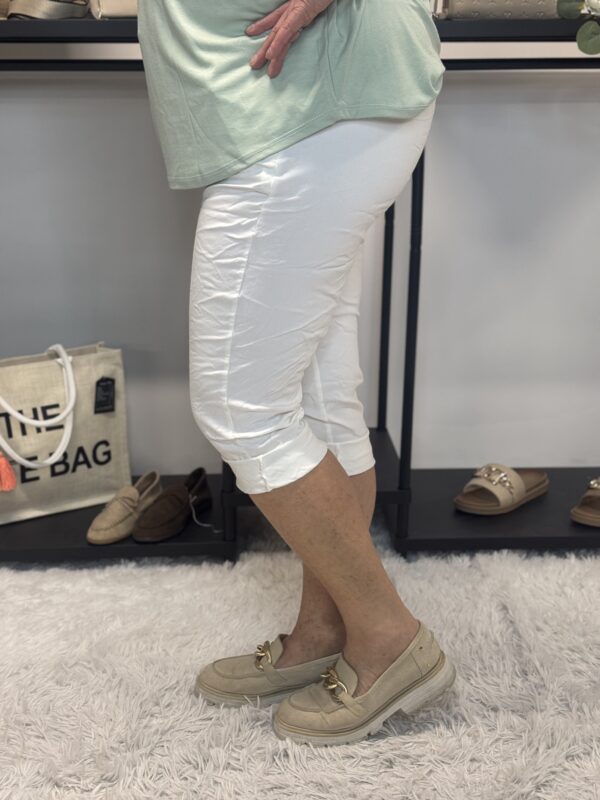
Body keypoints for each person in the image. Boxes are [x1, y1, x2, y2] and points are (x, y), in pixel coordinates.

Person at [138, 0, 456, 746]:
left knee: (240, 406)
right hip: (308, 110)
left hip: (309, 111)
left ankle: (389, 637)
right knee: (319, 395)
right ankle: (325, 632)